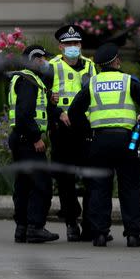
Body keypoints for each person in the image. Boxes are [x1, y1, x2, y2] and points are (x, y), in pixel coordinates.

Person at [67, 43, 140, 247]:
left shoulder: (91, 84)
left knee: (99, 187)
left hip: (99, 141)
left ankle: (100, 234)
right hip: (127, 142)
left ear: (100, 65)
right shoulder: (129, 81)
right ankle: (133, 235)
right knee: (130, 187)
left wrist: (88, 132)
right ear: (117, 61)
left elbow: (74, 112)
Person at [7, 45, 61, 244]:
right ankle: (35, 227)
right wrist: (36, 137)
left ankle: (22, 228)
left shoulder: (25, 79)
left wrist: (49, 100)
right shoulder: (28, 80)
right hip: (28, 141)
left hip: (19, 139)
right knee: (41, 185)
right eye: (40, 58)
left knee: (23, 185)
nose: (44, 62)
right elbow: (24, 113)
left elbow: (32, 108)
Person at [48, 24, 96, 242]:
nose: (72, 47)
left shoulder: (91, 67)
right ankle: (70, 221)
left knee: (90, 177)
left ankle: (89, 224)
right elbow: (41, 98)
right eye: (68, 44)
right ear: (60, 47)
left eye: (75, 43)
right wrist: (57, 112)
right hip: (62, 131)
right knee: (65, 179)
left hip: (85, 129)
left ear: (80, 45)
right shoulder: (51, 67)